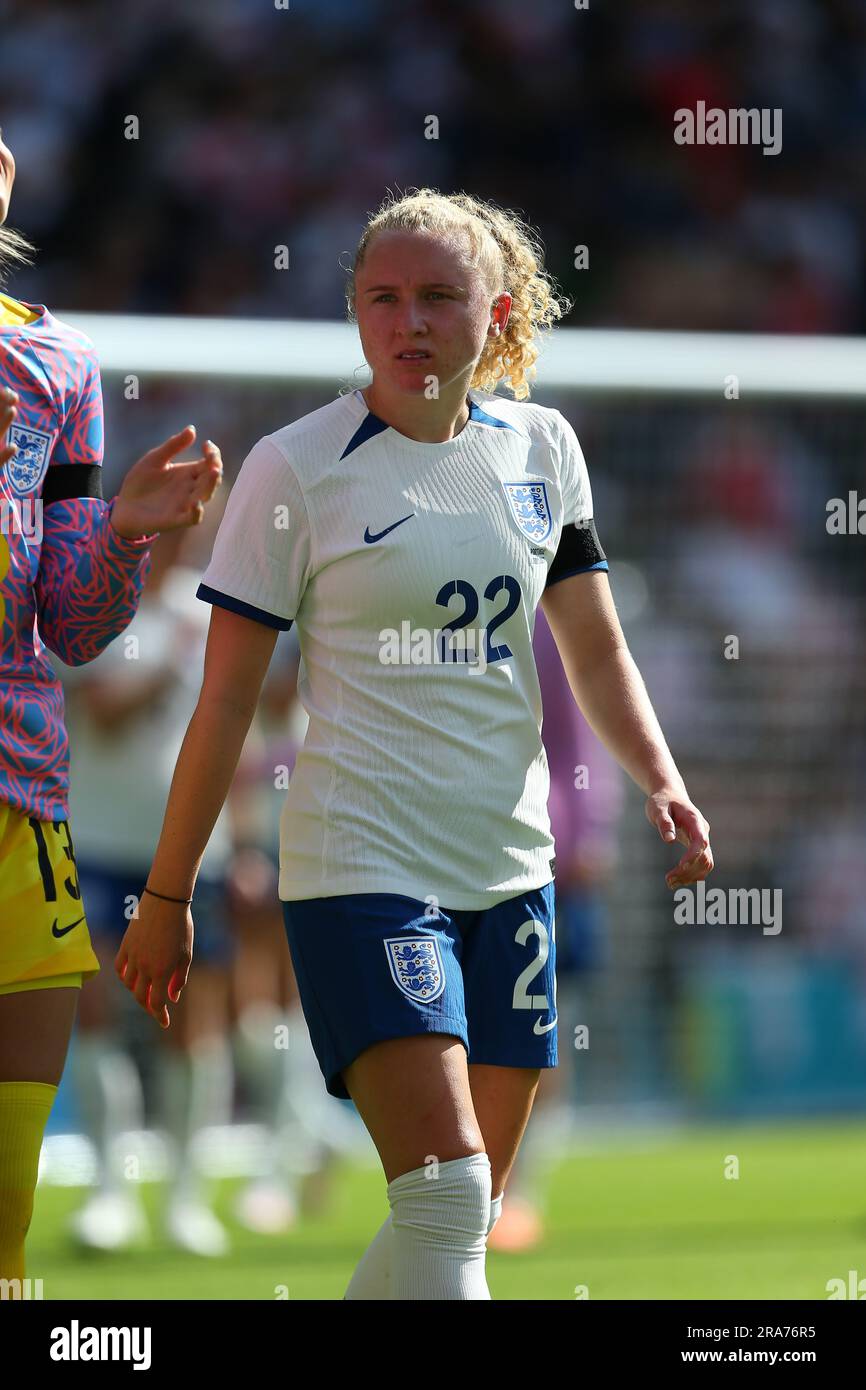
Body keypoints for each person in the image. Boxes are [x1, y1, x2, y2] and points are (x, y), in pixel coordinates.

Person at [117, 187, 713, 1301]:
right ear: (353, 313)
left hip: (511, 871)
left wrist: (661, 781)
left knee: (460, 1210)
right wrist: (164, 897)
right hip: (361, 870)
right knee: (442, 1196)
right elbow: (225, 703)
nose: (408, 320)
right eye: (382, 296)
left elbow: (593, 652)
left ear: (495, 313)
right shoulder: (294, 469)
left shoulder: (543, 448)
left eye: (439, 295)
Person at [0, 126, 223, 1287]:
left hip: (21, 808)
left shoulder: (55, 367)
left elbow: (76, 623)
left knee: (6, 1199)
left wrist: (125, 534)